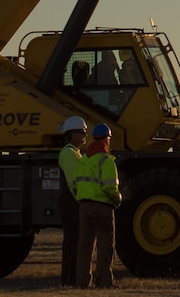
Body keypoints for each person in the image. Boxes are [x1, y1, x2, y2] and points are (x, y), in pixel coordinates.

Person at [73, 123, 121, 289]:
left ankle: (82, 282)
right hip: (102, 206)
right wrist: (118, 199)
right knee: (105, 244)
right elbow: (109, 188)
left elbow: (76, 184)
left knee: (84, 246)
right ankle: (103, 281)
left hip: (84, 207)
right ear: (107, 139)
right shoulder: (106, 161)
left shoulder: (84, 160)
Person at [57, 116, 89, 286]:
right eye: (82, 132)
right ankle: (68, 280)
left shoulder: (75, 153)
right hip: (71, 203)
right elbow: (73, 182)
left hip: (73, 202)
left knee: (75, 240)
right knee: (72, 241)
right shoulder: (69, 154)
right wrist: (81, 200)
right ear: (72, 134)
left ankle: (71, 278)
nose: (85, 135)